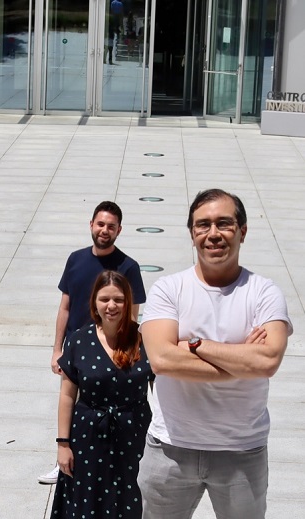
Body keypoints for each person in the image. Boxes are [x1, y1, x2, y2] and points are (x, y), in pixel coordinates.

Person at [138, 188, 293, 519]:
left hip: (242, 451)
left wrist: (194, 345)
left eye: (224, 223)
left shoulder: (264, 292)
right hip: (169, 448)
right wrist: (241, 360)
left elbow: (267, 361)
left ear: (242, 231)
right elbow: (162, 360)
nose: (213, 234)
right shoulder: (169, 289)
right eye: (202, 224)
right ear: (192, 233)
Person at [39, 201, 146, 484]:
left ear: (119, 230)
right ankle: (63, 456)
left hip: (112, 352)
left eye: (111, 226)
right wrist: (57, 349)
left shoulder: (128, 267)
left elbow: (132, 317)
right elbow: (64, 307)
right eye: (100, 224)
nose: (104, 230)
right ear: (91, 225)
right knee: (71, 403)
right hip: (78, 352)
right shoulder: (75, 260)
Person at [50, 270, 154, 518]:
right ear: (94, 302)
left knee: (130, 500)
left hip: (134, 435)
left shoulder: (144, 339)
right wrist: (63, 445)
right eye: (104, 299)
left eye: (118, 299)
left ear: (128, 301)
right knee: (88, 502)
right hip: (88, 438)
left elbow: (162, 392)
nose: (111, 306)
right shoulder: (78, 340)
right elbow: (67, 396)